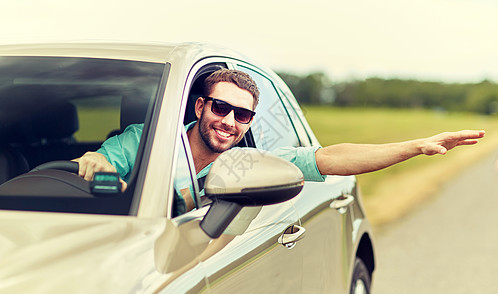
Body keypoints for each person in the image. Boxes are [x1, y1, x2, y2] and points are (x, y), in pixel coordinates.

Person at [74, 69, 485, 193]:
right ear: (200, 106)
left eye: (243, 116)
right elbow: (102, 162)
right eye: (220, 108)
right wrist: (95, 160)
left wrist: (414, 146)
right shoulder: (149, 139)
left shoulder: (245, 163)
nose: (229, 122)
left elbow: (329, 158)